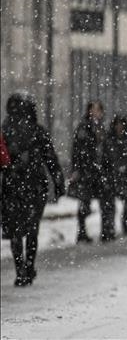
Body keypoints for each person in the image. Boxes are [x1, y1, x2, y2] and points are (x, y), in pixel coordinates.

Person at [1, 93, 65, 286]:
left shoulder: (5, 130)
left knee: (15, 229)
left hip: (12, 185)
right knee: (32, 228)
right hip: (34, 185)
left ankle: (20, 268)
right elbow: (51, 159)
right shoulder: (38, 131)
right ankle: (29, 266)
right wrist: (58, 181)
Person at [69, 100, 107, 243]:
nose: (96, 113)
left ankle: (104, 230)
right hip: (87, 170)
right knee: (84, 202)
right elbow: (78, 149)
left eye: (98, 110)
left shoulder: (101, 128)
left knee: (102, 201)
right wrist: (77, 168)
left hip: (97, 170)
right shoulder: (84, 128)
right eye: (94, 110)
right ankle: (82, 231)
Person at [102, 115, 127, 236]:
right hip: (112, 176)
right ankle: (110, 228)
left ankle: (125, 223)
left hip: (126, 177)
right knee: (110, 204)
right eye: (117, 124)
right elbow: (104, 158)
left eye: (121, 124)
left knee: (126, 203)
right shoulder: (109, 139)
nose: (119, 127)